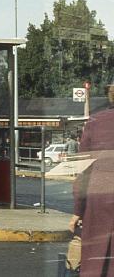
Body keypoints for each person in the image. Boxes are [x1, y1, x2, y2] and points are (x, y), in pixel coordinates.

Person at [70, 85, 114, 277]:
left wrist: (77, 211)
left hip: (100, 200)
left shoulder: (96, 122)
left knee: (97, 263)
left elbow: (84, 169)